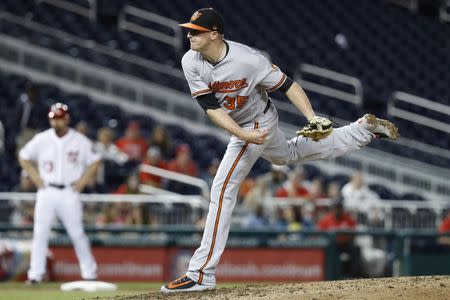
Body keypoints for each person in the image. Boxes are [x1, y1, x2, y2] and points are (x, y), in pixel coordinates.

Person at [161, 8, 399, 293]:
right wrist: (242, 134)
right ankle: (361, 130)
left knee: (222, 188)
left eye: (196, 31)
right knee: (286, 155)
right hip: (244, 127)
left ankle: (201, 274)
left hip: (259, 120)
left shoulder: (247, 60)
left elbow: (288, 85)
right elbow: (211, 108)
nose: (189, 35)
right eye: (189, 30)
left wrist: (311, 117)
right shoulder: (191, 61)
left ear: (214, 34)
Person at [18, 102, 100, 284]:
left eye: (59, 119)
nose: (56, 122)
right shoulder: (42, 138)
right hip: (47, 190)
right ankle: (35, 275)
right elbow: (23, 156)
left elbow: (95, 160)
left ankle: (90, 273)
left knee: (77, 233)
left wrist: (84, 180)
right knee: (40, 233)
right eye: (53, 119)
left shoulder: (79, 140)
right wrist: (34, 176)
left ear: (67, 119)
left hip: (69, 191)